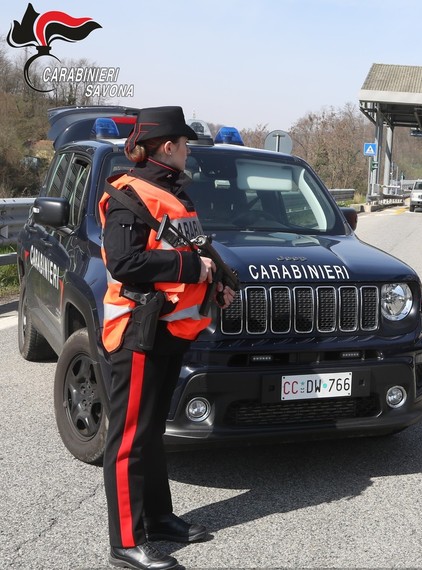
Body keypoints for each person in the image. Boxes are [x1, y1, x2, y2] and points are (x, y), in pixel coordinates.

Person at [99, 106, 235, 570]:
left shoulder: (173, 192)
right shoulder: (128, 195)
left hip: (169, 330)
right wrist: (192, 269)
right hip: (138, 330)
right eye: (185, 142)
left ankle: (158, 519)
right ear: (167, 146)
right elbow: (124, 264)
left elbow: (195, 242)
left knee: (152, 433)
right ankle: (126, 542)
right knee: (128, 439)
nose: (189, 149)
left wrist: (224, 278)